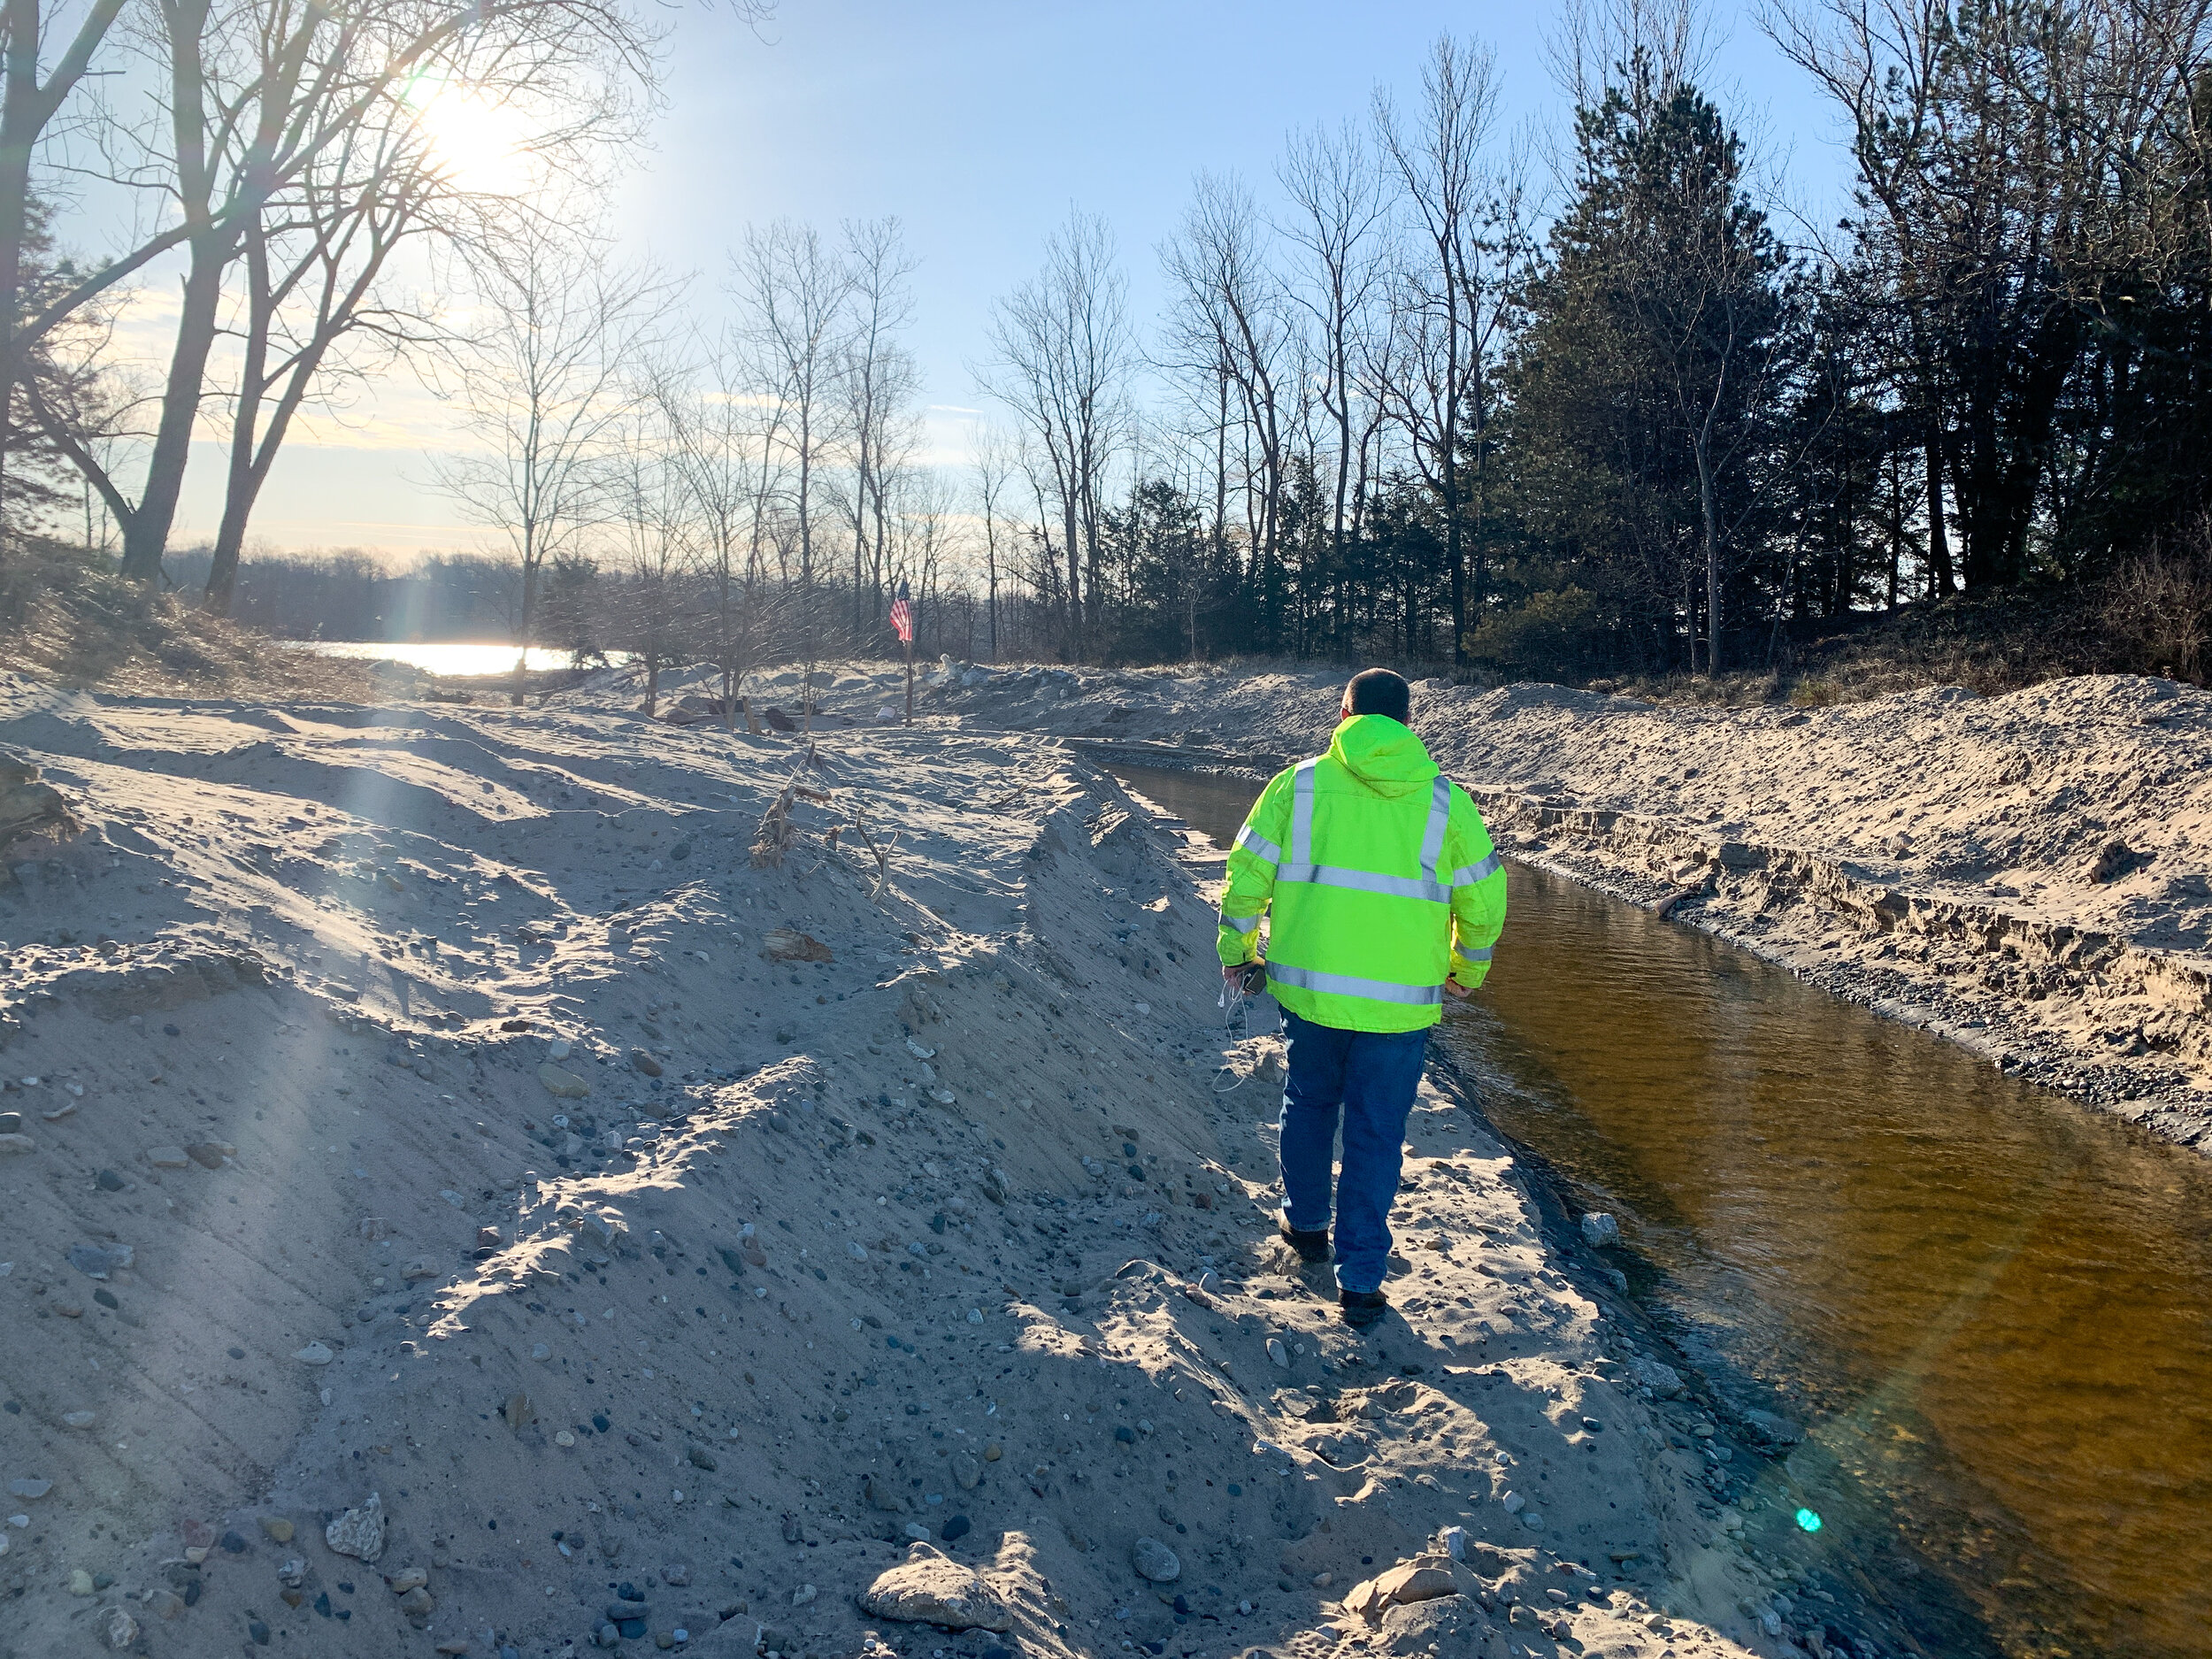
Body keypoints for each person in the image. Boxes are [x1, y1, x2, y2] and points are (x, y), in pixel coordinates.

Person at [1217, 668, 1507, 1326]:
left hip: (1311, 994)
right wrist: (1467, 968)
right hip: (1400, 1007)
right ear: (1407, 721)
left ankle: (1306, 1226)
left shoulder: (1299, 785)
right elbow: (1485, 899)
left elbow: (1246, 879)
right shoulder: (1444, 801)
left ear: (1344, 712)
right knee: (1377, 1134)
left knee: (1309, 1103)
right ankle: (1363, 1280)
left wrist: (1237, 952)